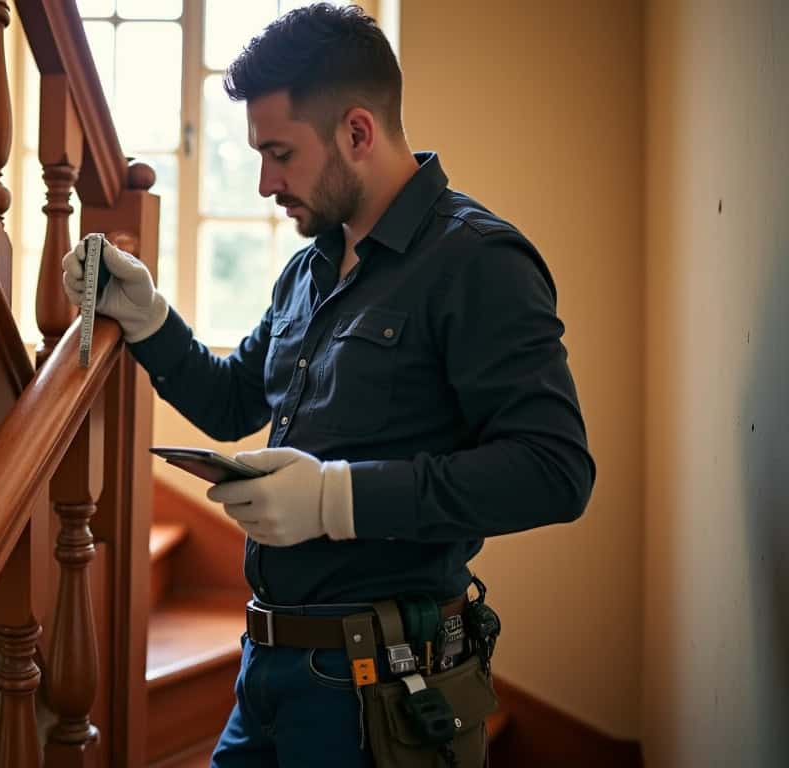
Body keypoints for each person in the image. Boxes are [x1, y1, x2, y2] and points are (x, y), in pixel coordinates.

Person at [62, 4, 594, 766]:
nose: (264, 183)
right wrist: (148, 318)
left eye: (279, 154)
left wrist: (334, 499)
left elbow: (555, 472)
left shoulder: (478, 261)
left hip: (380, 692)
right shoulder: (310, 268)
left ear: (357, 133)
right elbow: (234, 401)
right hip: (267, 670)